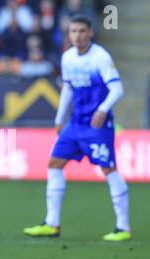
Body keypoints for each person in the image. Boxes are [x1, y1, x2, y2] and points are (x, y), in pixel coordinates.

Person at [23, 15, 131, 241]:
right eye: (74, 31)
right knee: (54, 163)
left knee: (108, 169)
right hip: (75, 123)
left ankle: (123, 227)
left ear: (90, 33)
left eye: (82, 31)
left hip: (97, 125)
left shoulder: (100, 57)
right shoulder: (68, 58)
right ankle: (52, 223)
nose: (78, 36)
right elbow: (68, 89)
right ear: (69, 34)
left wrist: (102, 109)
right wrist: (60, 118)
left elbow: (117, 88)